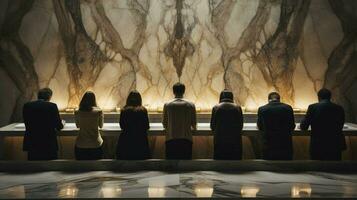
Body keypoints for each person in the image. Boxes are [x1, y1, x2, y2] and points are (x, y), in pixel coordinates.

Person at [300, 88, 346, 160]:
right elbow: (341, 125)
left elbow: (303, 127)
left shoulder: (313, 107)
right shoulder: (339, 108)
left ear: (319, 97)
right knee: (335, 167)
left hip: (318, 144)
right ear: (330, 97)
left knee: (318, 167)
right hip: (335, 143)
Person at [23, 88, 64, 160]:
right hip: (48, 142)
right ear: (49, 97)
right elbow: (59, 126)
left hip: (32, 142)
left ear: (38, 96)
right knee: (50, 166)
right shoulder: (52, 106)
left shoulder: (27, 106)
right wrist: (62, 123)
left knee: (33, 165)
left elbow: (27, 122)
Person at [257, 92, 295, 160]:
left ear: (268, 100)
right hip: (284, 143)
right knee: (286, 166)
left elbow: (260, 126)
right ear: (279, 99)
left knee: (269, 166)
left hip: (269, 143)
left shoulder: (262, 109)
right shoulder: (288, 108)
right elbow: (292, 126)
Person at [163, 82, 196, 159]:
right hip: (186, 139)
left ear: (173, 92)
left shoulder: (167, 105)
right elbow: (194, 124)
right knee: (186, 164)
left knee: (171, 164)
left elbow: (165, 123)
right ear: (184, 91)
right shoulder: (190, 105)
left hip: (171, 139)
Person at [116, 90, 150, 160]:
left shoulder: (124, 110)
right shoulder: (143, 110)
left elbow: (122, 125)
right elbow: (146, 126)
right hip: (140, 142)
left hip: (126, 142)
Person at [210, 90, 243, 160]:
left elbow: (212, 126)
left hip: (220, 139)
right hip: (234, 139)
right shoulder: (237, 107)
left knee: (220, 158)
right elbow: (241, 125)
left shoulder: (216, 107)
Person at [74, 91, 104, 160]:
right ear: (94, 100)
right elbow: (101, 126)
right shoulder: (99, 111)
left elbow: (77, 126)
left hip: (81, 144)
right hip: (96, 144)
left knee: (81, 167)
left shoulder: (77, 111)